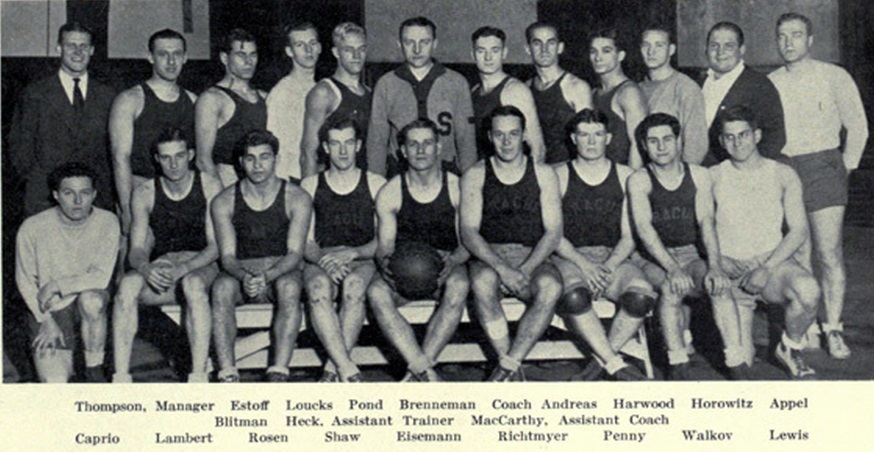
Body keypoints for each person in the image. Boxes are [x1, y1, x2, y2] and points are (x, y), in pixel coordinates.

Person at [769, 13, 869, 359]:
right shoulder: (771, 82)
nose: (789, 42)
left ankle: (834, 328)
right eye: (782, 36)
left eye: (796, 35)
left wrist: (845, 166)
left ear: (810, 40)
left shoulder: (833, 75)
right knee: (798, 252)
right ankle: (806, 323)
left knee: (829, 252)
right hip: (787, 167)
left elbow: (858, 126)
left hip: (825, 165)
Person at [712, 106, 820, 379]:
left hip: (771, 267)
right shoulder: (712, 176)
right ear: (722, 141)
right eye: (730, 137)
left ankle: (790, 347)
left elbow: (798, 230)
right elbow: (699, 227)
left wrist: (767, 268)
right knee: (742, 368)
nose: (737, 143)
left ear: (757, 135)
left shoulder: (783, 174)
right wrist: (717, 260)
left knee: (808, 290)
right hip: (732, 273)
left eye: (744, 134)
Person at [460, 106, 563, 381]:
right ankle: (511, 366)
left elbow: (553, 232)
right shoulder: (476, 174)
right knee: (482, 282)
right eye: (499, 135)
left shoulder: (543, 173)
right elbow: (469, 231)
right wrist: (504, 269)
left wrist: (526, 269)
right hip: (491, 256)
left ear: (524, 136)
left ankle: (507, 365)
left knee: (551, 286)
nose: (506, 142)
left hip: (533, 256)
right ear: (490, 137)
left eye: (513, 134)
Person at [627, 113, 733, 380]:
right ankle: (678, 364)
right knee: (670, 287)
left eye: (667, 139)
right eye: (653, 141)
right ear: (643, 145)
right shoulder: (639, 179)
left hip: (689, 252)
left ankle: (736, 360)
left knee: (717, 285)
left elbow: (707, 222)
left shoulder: (698, 175)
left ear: (679, 141)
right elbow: (644, 230)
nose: (661, 147)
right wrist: (672, 269)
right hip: (650, 257)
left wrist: (716, 267)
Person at [112, 128, 222, 383]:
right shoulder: (144, 192)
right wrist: (145, 268)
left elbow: (217, 246)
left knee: (193, 285)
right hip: (165, 266)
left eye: (180, 156)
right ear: (156, 159)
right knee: (127, 285)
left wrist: (184, 268)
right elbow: (137, 250)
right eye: (166, 157)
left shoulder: (209, 184)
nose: (173, 164)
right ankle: (120, 377)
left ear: (191, 155)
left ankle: (197, 376)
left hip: (201, 264)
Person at [551, 109, 654, 381]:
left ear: (608, 138)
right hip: (569, 258)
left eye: (597, 135)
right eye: (584, 135)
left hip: (613, 258)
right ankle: (615, 364)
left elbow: (630, 235)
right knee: (574, 296)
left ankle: (597, 366)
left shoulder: (625, 175)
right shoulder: (558, 174)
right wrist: (585, 266)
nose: (591, 141)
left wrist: (607, 267)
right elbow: (553, 233)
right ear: (574, 138)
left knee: (641, 296)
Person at [367, 118, 470, 382]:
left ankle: (417, 370)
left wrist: (454, 260)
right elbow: (385, 246)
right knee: (376, 291)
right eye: (413, 144)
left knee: (459, 286)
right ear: (403, 151)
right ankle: (424, 370)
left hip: (446, 267)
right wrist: (388, 265)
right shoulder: (391, 191)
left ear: (438, 147)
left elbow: (468, 241)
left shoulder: (458, 187)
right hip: (406, 268)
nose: (420, 150)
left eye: (427, 143)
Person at [210, 130, 312, 382]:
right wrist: (245, 276)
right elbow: (227, 257)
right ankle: (227, 373)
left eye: (264, 157)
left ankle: (278, 371)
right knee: (221, 287)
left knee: (289, 286)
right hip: (242, 272)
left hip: (281, 270)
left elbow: (295, 254)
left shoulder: (297, 197)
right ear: (241, 162)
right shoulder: (223, 201)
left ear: (276, 159)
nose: (257, 165)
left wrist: (268, 275)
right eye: (251, 158)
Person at [15, 162, 120, 382]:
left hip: (90, 312)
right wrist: (44, 320)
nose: (77, 201)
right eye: (68, 193)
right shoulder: (33, 227)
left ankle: (94, 372)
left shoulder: (107, 221)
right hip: (50, 311)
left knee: (91, 299)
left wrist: (56, 285)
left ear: (94, 194)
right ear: (56, 195)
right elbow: (24, 280)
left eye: (84, 193)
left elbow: (101, 277)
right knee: (55, 386)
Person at [301, 118, 385, 382]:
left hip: (361, 257)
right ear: (325, 147)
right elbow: (305, 243)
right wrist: (326, 261)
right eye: (335, 144)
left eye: (349, 143)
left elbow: (383, 241)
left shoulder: (375, 183)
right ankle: (346, 368)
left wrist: (353, 254)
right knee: (316, 291)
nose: (343, 151)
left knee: (354, 287)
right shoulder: (310, 185)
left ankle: (331, 370)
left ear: (358, 145)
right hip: (321, 259)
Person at [9, 22, 116, 216]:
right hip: (45, 200)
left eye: (83, 46)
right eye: (70, 45)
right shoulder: (35, 93)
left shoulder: (108, 96)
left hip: (95, 202)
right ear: (59, 48)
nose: (77, 52)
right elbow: (20, 148)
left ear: (91, 50)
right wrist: (39, 184)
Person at [110, 29, 197, 236]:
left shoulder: (194, 101)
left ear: (185, 57)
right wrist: (126, 207)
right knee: (134, 259)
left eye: (176, 54)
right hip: (140, 193)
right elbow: (120, 158)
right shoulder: (130, 100)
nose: (170, 60)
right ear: (150, 57)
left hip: (181, 196)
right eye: (163, 54)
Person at [367, 16, 477, 177]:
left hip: (445, 173)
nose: (417, 50)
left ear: (434, 44)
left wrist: (470, 183)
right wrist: (376, 182)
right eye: (409, 42)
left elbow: (466, 141)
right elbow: (377, 143)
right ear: (400, 45)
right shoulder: (386, 84)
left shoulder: (456, 82)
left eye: (424, 42)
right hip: (400, 174)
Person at [701, 22, 784, 165]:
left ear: (741, 49)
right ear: (706, 50)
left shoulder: (758, 84)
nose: (720, 52)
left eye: (728, 46)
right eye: (714, 46)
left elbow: (775, 137)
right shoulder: (698, 82)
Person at [195, 29, 267, 187]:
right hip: (228, 182)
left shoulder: (265, 97)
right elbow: (202, 159)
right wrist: (223, 199)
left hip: (262, 182)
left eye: (253, 55)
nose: (248, 61)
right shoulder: (212, 99)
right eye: (241, 55)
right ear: (224, 58)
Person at [300, 23, 371, 177]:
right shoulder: (324, 92)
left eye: (361, 49)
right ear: (336, 52)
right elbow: (308, 153)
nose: (356, 56)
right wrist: (308, 197)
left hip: (363, 184)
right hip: (332, 186)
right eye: (348, 50)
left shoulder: (370, 93)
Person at [471, 26, 546, 162]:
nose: (488, 57)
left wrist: (529, 181)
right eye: (481, 51)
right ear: (473, 55)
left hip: (511, 177)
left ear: (504, 53)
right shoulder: (474, 91)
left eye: (495, 50)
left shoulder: (515, 90)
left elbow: (537, 147)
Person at [525, 21, 593, 165]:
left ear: (560, 47)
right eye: (537, 43)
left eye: (550, 43)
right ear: (528, 49)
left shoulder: (576, 87)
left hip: (569, 172)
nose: (544, 49)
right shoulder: (525, 88)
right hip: (538, 170)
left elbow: (589, 140)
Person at [639, 25, 708, 165]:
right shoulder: (637, 88)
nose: (651, 51)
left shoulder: (685, 88)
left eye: (659, 45)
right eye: (646, 45)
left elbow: (696, 145)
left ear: (671, 50)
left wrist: (683, 180)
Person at [266, 22, 321, 182]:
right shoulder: (282, 93)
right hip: (293, 178)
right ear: (289, 51)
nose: (308, 50)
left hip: (318, 176)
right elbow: (276, 150)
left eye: (312, 43)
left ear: (319, 47)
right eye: (300, 45)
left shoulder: (322, 89)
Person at [589, 28, 648, 168]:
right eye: (593, 51)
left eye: (606, 51)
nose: (598, 57)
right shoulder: (593, 93)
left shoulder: (628, 92)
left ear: (620, 56)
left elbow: (638, 144)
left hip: (620, 178)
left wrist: (631, 184)